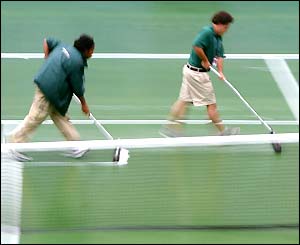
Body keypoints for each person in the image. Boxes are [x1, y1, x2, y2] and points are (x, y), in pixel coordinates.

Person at [6, 34, 95, 161]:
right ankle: (14, 145)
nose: (92, 53)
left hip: (54, 92)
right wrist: (84, 104)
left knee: (61, 117)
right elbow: (77, 87)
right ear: (85, 50)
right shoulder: (77, 62)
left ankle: (76, 145)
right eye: (92, 50)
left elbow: (47, 41)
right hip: (48, 92)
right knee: (35, 117)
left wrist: (47, 58)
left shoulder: (63, 46)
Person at [160, 11, 240, 137]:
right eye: (226, 27)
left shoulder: (218, 37)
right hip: (197, 75)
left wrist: (220, 72)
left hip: (190, 72)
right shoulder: (207, 32)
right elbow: (197, 46)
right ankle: (223, 132)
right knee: (211, 105)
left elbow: (219, 57)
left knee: (182, 101)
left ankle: (169, 128)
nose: (226, 30)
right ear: (218, 24)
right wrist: (205, 60)